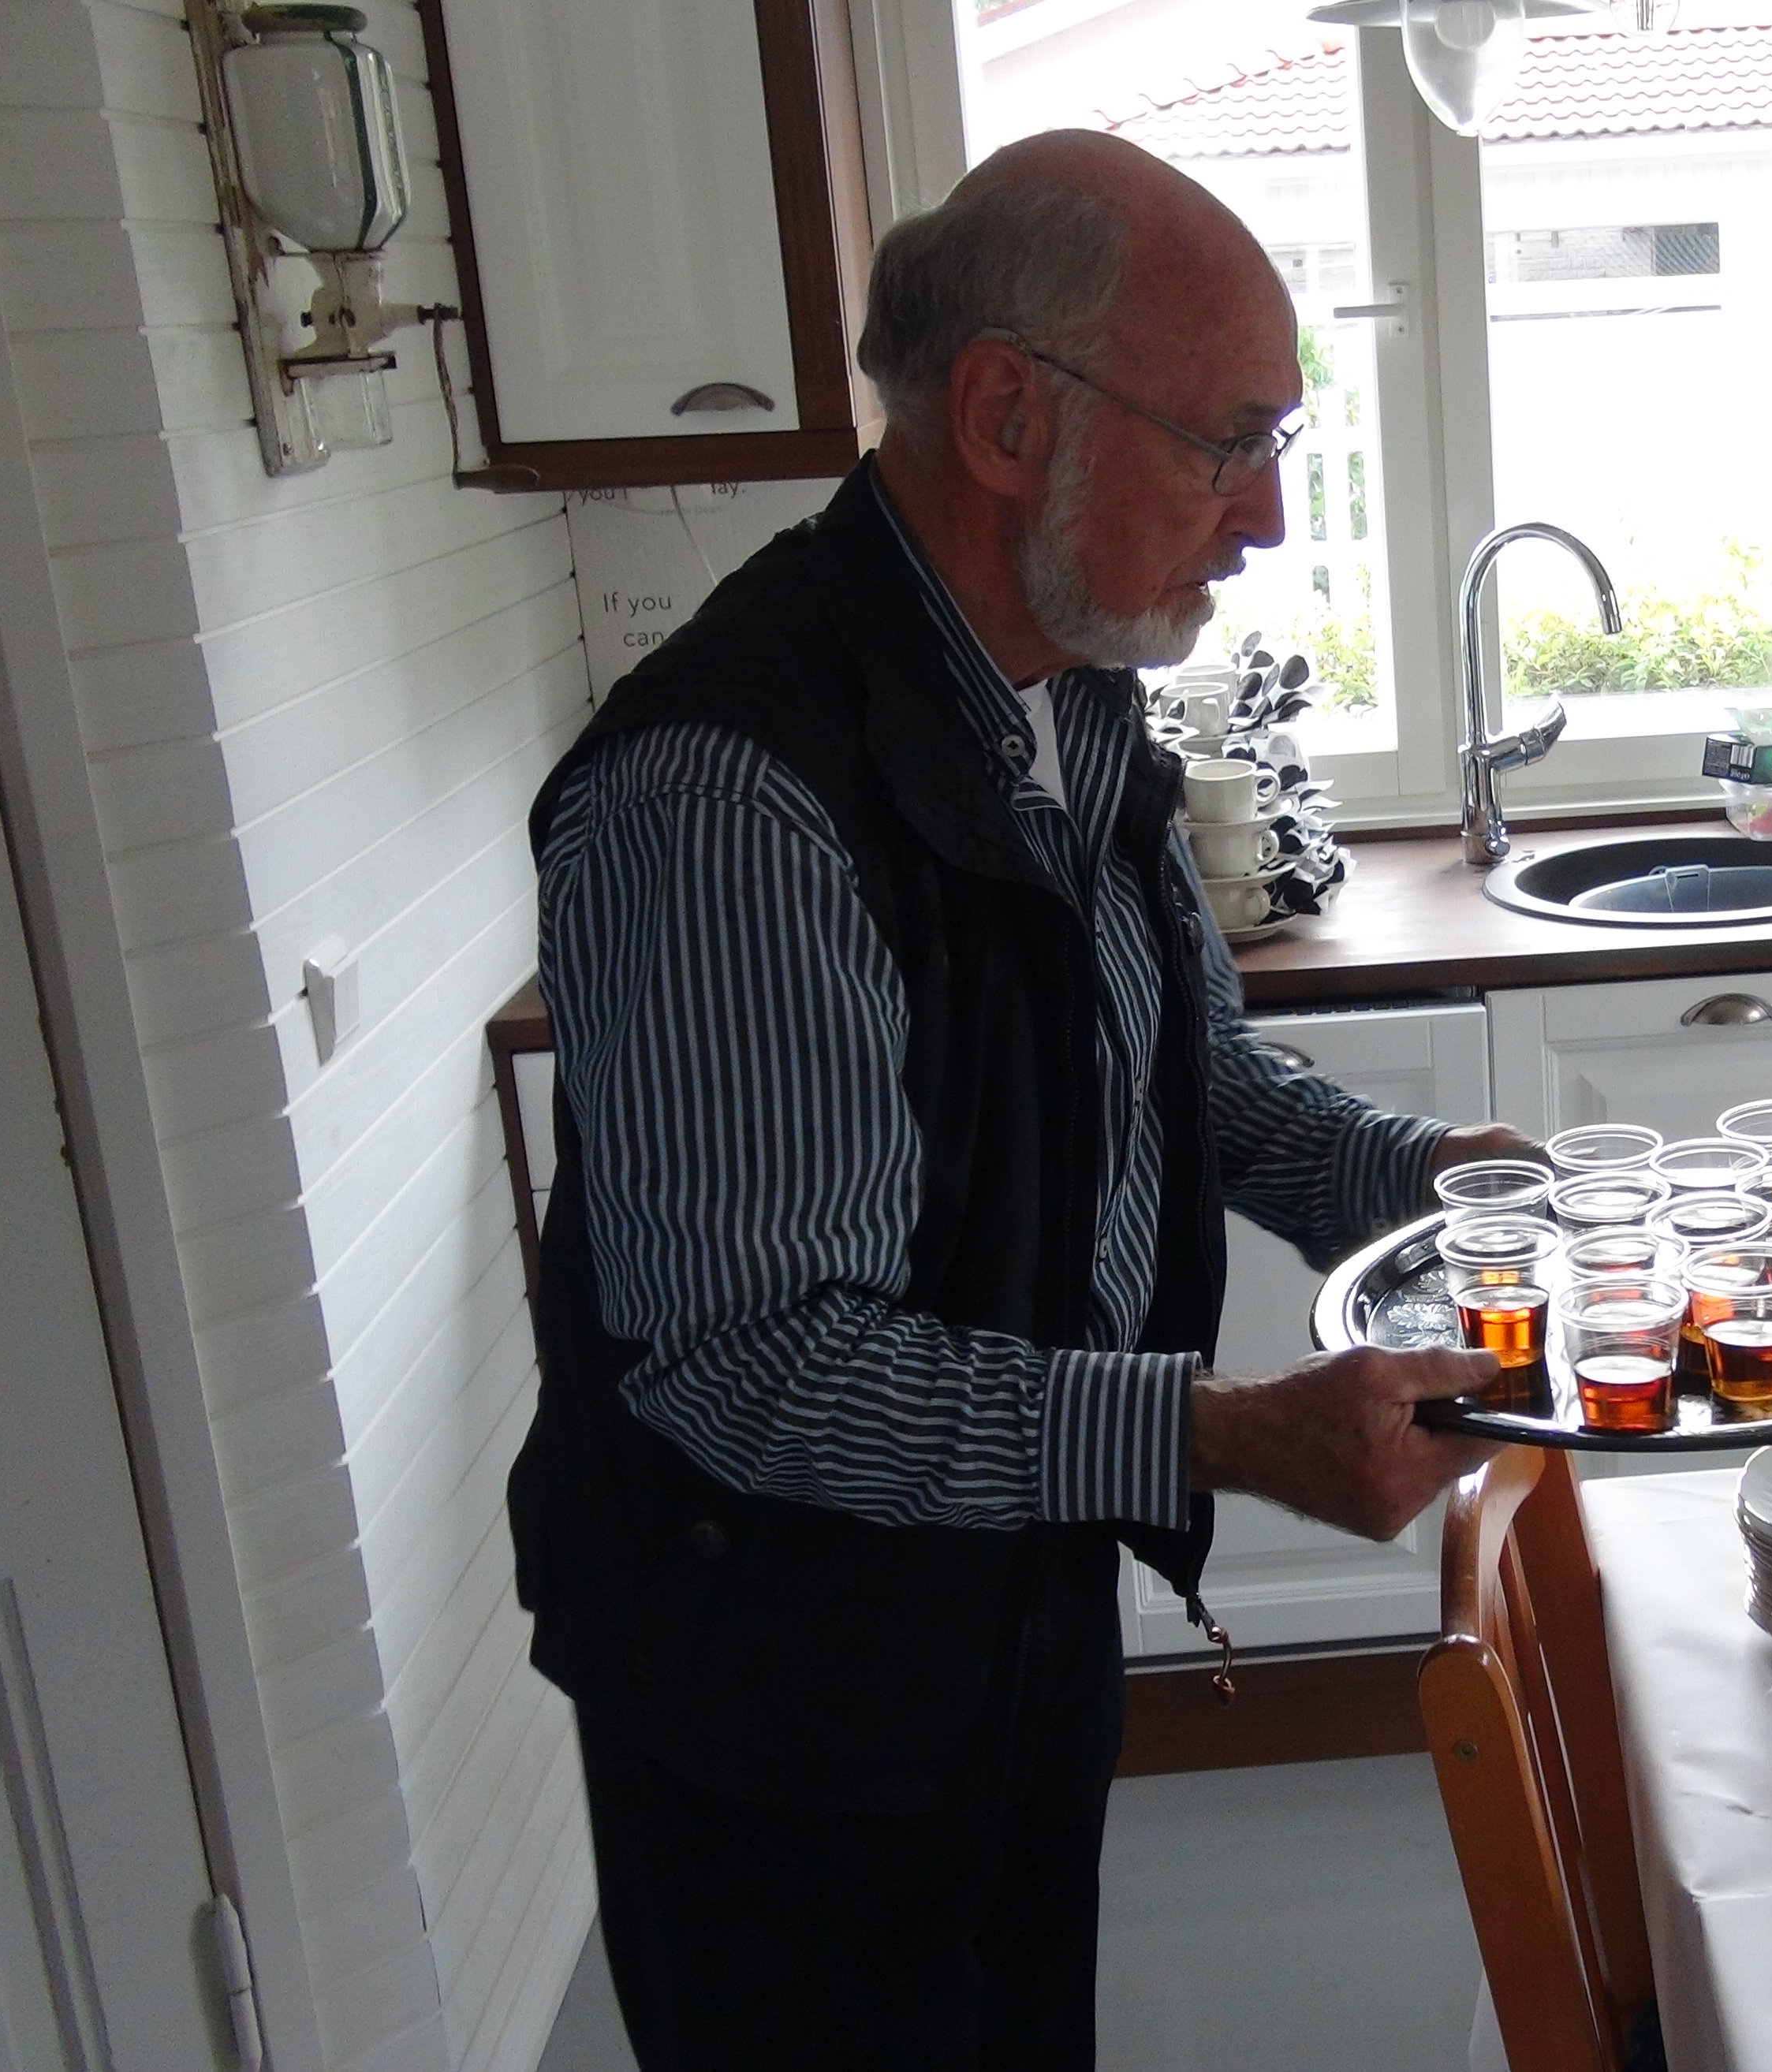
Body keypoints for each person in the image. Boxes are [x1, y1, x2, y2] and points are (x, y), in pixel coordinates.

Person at [509, 131, 1518, 2068]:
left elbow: (1181, 1082)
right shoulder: (725, 796)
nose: (1266, 519)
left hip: (1012, 1607)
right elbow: (754, 1364)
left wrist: (1440, 1182)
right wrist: (1220, 1435)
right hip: (778, 1701)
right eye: (1227, 444)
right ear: (1001, 415)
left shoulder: (1070, 689)